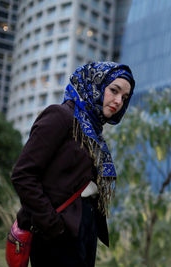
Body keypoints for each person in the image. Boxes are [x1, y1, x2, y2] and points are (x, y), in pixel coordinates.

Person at [10, 62, 135, 267]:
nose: (119, 101)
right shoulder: (60, 116)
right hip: (56, 231)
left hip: (85, 227)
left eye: (125, 97)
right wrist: (52, 224)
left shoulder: (94, 131)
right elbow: (23, 175)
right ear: (94, 84)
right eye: (114, 90)